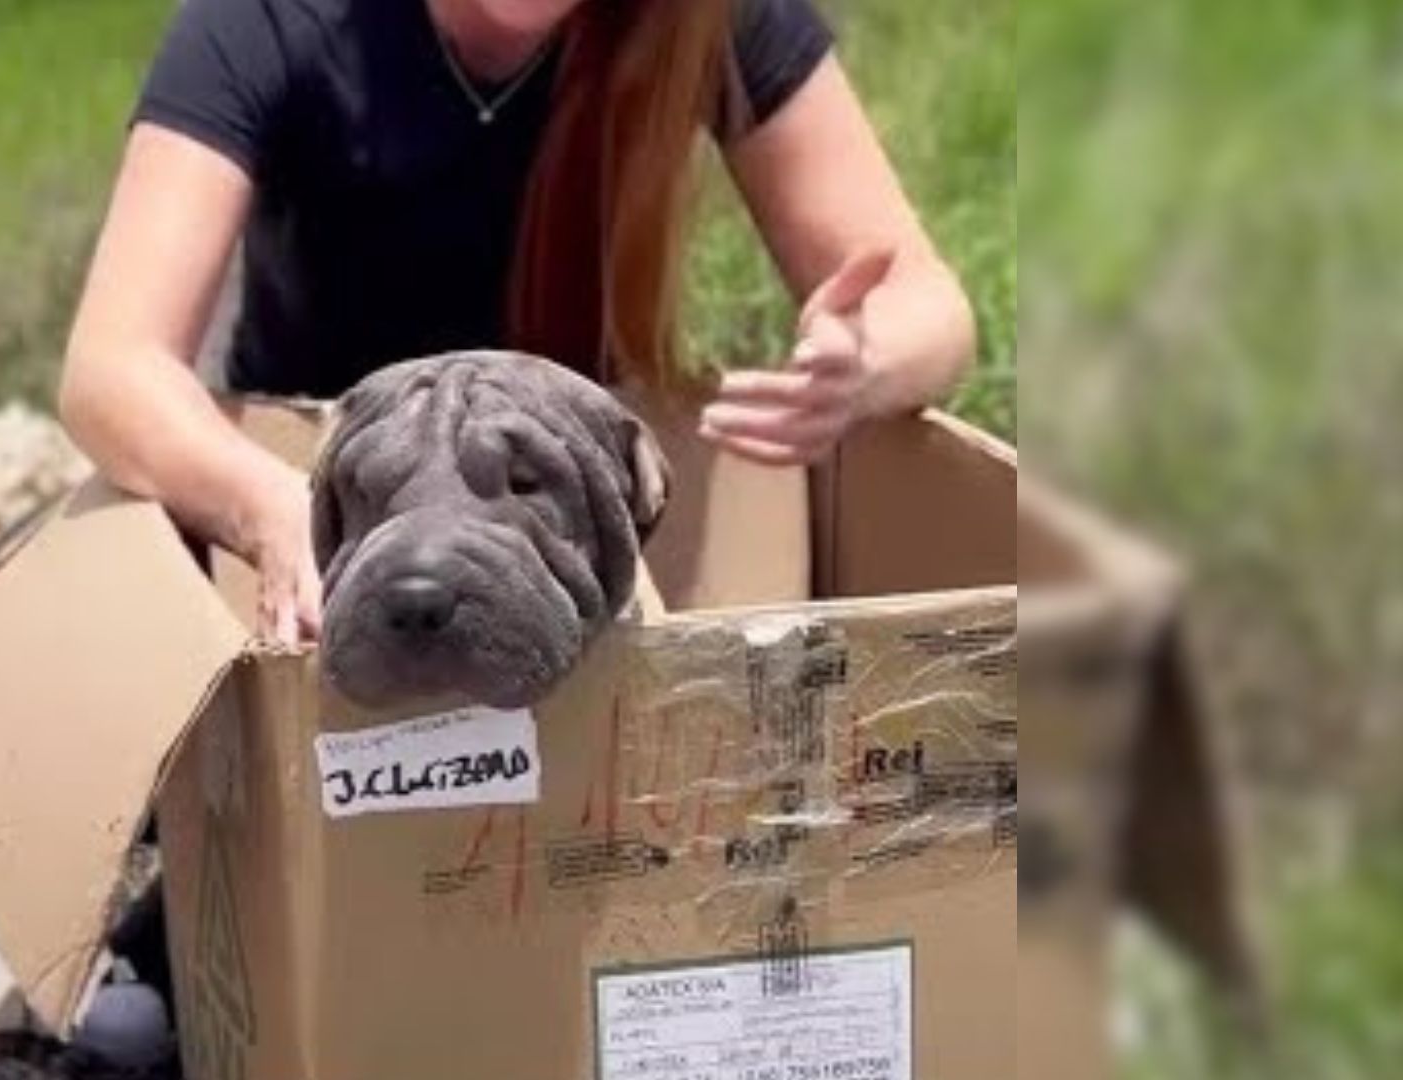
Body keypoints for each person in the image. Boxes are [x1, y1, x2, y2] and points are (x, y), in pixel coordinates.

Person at [59, 0, 975, 644]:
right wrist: (270, 508)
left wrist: (864, 360)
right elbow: (112, 366)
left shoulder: (705, 19)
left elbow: (931, 309)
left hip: (561, 523)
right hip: (336, 505)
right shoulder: (269, 20)